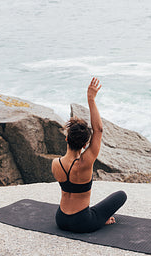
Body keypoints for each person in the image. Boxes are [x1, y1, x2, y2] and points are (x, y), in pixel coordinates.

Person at [51, 77, 127, 233]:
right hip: (82, 222)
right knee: (121, 195)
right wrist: (91, 99)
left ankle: (98, 218)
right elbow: (98, 130)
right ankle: (100, 220)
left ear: (66, 139)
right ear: (85, 145)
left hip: (60, 219)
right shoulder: (85, 163)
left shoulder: (55, 164)